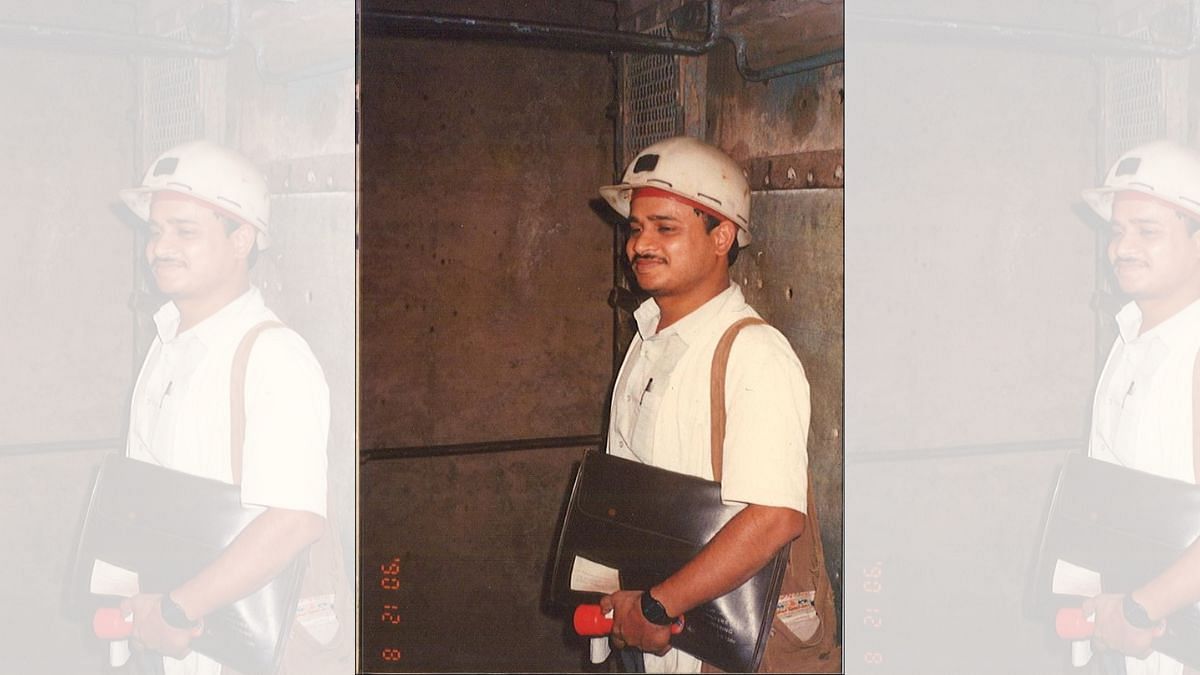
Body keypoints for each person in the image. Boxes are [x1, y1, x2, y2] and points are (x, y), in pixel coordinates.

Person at [593, 136, 813, 673]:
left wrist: (657, 605)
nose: (640, 245)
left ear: (722, 237)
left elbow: (775, 517)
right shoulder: (646, 340)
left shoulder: (755, 354)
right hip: (642, 630)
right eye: (636, 227)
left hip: (705, 644)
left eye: (665, 228)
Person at [117, 140, 330, 675]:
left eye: (185, 231)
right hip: (169, 638)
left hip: (230, 644)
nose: (160, 247)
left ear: (242, 239)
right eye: (155, 230)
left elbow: (295, 519)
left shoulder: (273, 356)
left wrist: (177, 608)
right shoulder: (165, 342)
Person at [1078, 139, 1200, 675]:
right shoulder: (1128, 338)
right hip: (1128, 636)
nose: (1122, 247)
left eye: (1148, 231)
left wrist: (1141, 607)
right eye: (1118, 230)